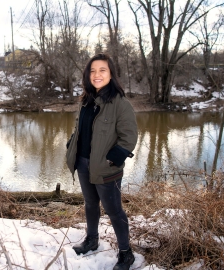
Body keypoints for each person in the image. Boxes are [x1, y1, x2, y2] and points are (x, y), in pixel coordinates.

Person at [66, 53, 138, 270]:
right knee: (90, 204)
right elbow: (80, 129)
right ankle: (92, 239)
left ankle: (126, 254)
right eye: (93, 70)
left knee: (114, 210)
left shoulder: (120, 103)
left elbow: (129, 137)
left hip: (106, 169)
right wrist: (71, 146)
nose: (97, 75)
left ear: (111, 74)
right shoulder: (86, 100)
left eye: (102, 70)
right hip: (83, 164)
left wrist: (111, 161)